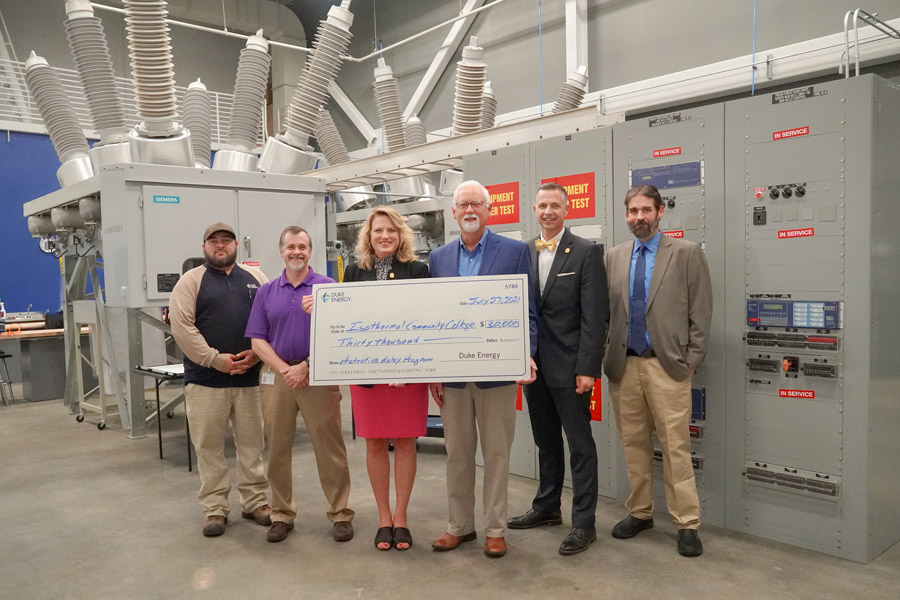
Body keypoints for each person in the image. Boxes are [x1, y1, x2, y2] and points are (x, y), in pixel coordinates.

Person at [428, 180, 538, 559]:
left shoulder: (515, 251)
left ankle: (495, 528)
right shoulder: (439, 258)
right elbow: (433, 318)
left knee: (496, 453)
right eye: (463, 204)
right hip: (453, 377)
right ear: (454, 212)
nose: (470, 210)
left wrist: (526, 353)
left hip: (498, 374)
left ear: (490, 210)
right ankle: (459, 526)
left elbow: (527, 311)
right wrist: (433, 369)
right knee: (457, 453)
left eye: (477, 203)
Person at [603, 184, 712, 557]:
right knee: (633, 445)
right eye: (632, 211)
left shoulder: (685, 253)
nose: (638, 218)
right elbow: (606, 315)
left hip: (667, 367)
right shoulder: (614, 257)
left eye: (645, 210)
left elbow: (701, 312)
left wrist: (692, 360)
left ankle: (686, 523)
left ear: (660, 212)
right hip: (625, 366)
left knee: (675, 447)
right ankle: (641, 512)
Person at [507, 182, 609, 555]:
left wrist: (588, 368)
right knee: (545, 442)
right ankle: (547, 507)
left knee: (580, 446)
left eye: (555, 206)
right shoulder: (524, 252)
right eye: (542, 206)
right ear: (534, 210)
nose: (548, 212)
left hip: (571, 368)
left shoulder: (586, 252)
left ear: (567, 210)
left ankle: (584, 522)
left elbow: (595, 316)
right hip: (534, 368)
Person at [245, 226, 355, 543]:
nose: (297, 251)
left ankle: (340, 513)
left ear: (310, 251)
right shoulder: (267, 291)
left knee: (329, 446)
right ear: (281, 251)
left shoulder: (327, 287)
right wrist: (284, 369)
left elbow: (341, 332)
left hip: (318, 377)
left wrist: (307, 365)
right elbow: (257, 340)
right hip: (277, 379)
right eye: (291, 246)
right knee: (277, 447)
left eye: (303, 246)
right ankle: (281, 513)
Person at [169, 222, 271, 537]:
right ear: (204, 247)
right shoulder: (190, 282)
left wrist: (256, 355)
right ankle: (215, 509)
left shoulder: (257, 279)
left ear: (236, 245)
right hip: (204, 381)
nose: (220, 245)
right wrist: (217, 360)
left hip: (250, 381)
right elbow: (182, 328)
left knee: (253, 445)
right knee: (209, 448)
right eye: (214, 241)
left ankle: (255, 501)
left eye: (226, 240)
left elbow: (270, 321)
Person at [341, 206, 429, 551]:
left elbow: (426, 321)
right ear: (368, 235)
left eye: (391, 231)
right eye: (378, 231)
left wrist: (405, 366)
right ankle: (383, 518)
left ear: (401, 235)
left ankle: (402, 518)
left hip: (407, 375)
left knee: (406, 442)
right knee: (375, 443)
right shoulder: (353, 271)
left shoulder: (419, 270)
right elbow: (347, 322)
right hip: (368, 376)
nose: (385, 236)